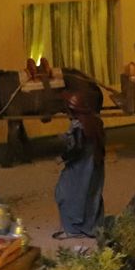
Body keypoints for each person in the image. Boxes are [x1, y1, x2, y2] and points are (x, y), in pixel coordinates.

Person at [54, 89, 105, 240]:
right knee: (91, 194)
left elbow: (74, 148)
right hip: (94, 166)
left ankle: (73, 228)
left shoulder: (78, 126)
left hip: (79, 168)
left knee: (64, 193)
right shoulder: (95, 122)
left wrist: (62, 154)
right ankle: (91, 226)